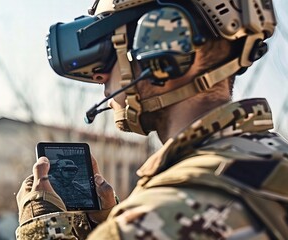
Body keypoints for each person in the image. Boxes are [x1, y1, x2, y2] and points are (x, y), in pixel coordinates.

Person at [16, 0, 288, 239]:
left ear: (163, 49)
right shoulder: (271, 164)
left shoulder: (166, 213)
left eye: (111, 50)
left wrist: (41, 225)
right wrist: (110, 220)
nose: (100, 76)